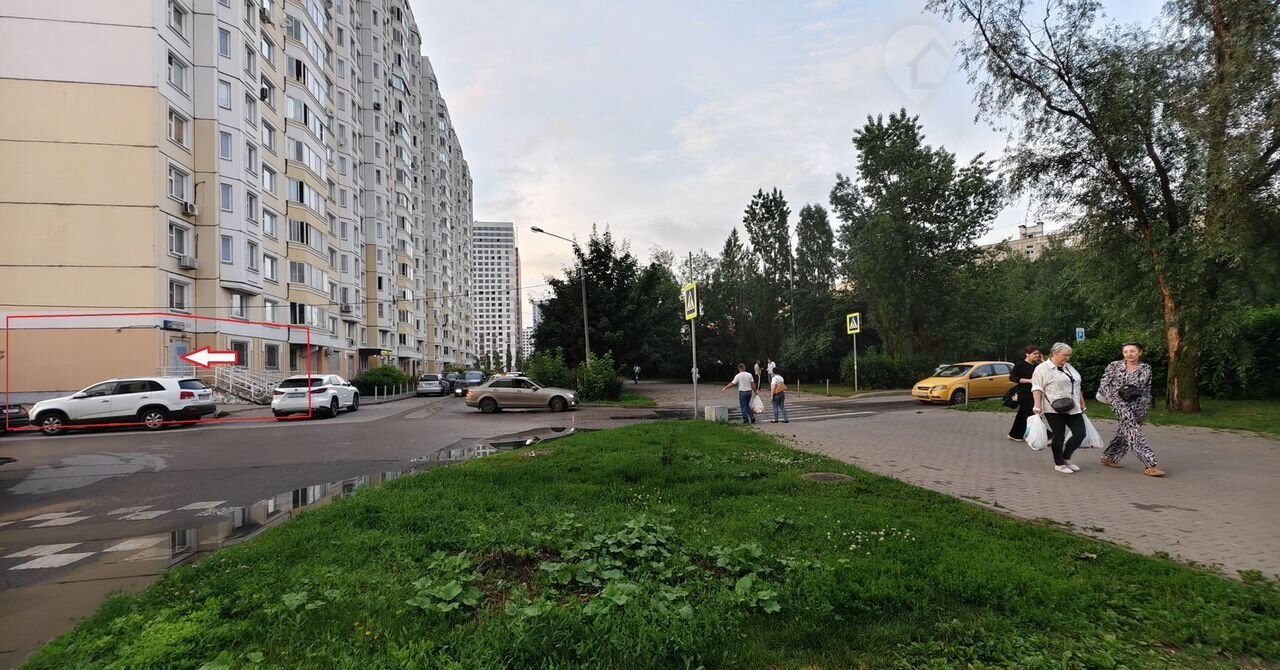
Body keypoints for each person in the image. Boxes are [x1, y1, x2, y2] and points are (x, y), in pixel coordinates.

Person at [1098, 343, 1165, 477]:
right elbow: (1104, 384)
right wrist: (1111, 398)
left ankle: (1109, 456)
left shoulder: (1146, 368)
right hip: (1118, 401)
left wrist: (1145, 404)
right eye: (1126, 352)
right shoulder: (1114, 365)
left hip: (1138, 404)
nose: (1129, 354)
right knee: (1133, 431)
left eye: (1132, 351)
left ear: (1140, 352)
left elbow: (1145, 387)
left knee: (1125, 432)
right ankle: (1150, 464)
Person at [1032, 342, 1088, 474]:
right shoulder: (1042, 369)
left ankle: (1066, 457)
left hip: (1072, 406)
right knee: (1059, 435)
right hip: (1053, 408)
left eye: (1069, 355)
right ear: (1054, 353)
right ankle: (1059, 463)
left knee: (1080, 433)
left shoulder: (1069, 367)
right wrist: (1037, 405)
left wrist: (1082, 403)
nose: (1067, 358)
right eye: (1065, 355)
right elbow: (1037, 387)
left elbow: (1077, 386)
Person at [1008, 345, 1043, 441]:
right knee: (1032, 413)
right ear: (1027, 354)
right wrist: (1029, 381)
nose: (1037, 356)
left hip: (1034, 392)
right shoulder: (1020, 365)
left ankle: (1015, 434)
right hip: (1024, 392)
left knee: (1022, 415)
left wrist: (1042, 361)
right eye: (1034, 354)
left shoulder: (1037, 366)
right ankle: (1045, 435)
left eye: (1038, 354)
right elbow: (1012, 378)